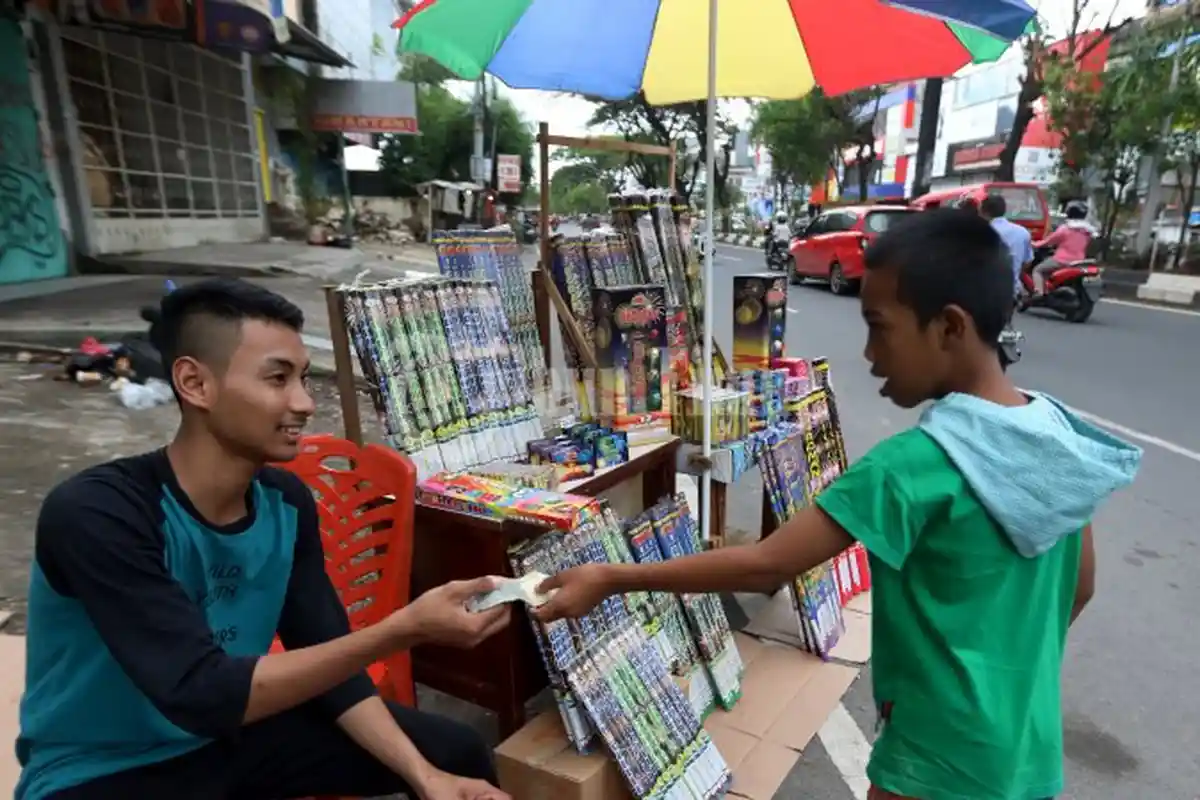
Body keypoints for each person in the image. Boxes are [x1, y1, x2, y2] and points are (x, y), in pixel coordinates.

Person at [536, 210, 1143, 800]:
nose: (870, 353)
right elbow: (1080, 587)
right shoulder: (1055, 436)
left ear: (950, 327)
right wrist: (1007, 675)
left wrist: (612, 576)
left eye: (880, 326)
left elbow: (765, 566)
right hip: (1026, 755)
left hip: (934, 765)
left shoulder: (913, 466)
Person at [19, 279, 513, 800]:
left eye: (301, 378)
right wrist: (402, 631)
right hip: (105, 769)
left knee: (454, 755)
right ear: (195, 383)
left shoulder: (285, 502)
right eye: (277, 378)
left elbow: (331, 662)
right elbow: (198, 692)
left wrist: (424, 775)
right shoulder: (99, 513)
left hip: (231, 737)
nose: (303, 402)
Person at [980, 193, 1033, 309]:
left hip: (983, 292)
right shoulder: (1022, 232)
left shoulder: (981, 231)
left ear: (984, 212)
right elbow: (1027, 262)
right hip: (1011, 291)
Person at [1033, 200, 1096, 296]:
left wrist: (1034, 244)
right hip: (1079, 261)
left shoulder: (1065, 229)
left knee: (1038, 270)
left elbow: (1048, 242)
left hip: (1061, 260)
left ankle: (1039, 293)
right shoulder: (1088, 231)